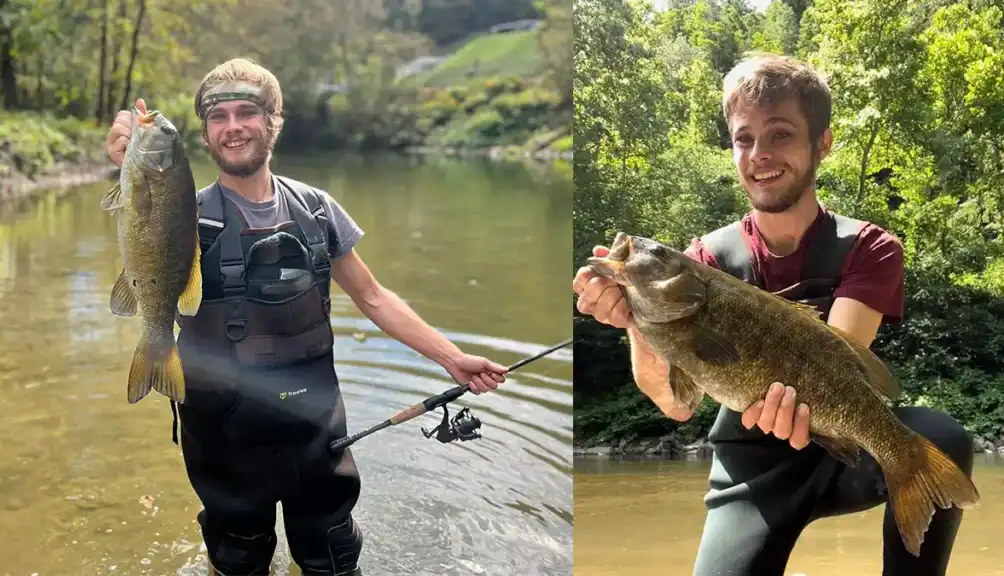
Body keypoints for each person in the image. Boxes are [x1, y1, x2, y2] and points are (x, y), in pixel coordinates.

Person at [572, 52, 974, 576]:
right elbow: (674, 403)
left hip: (840, 447)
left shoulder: (869, 247)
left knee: (939, 439)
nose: (759, 153)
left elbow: (835, 363)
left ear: (821, 143)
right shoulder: (705, 260)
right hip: (749, 468)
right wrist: (632, 320)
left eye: (780, 134)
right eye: (744, 138)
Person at [104, 58, 509, 576]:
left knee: (331, 556)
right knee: (237, 557)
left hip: (313, 427)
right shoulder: (182, 211)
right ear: (204, 131)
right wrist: (126, 164)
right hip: (221, 433)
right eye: (218, 116)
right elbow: (144, 245)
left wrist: (452, 359)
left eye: (247, 113)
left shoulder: (317, 210)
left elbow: (375, 297)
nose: (233, 128)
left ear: (274, 120)